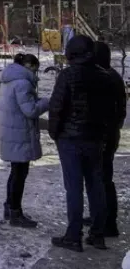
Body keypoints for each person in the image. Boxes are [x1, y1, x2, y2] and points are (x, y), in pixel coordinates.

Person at [48, 35, 115, 252]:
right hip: (95, 139)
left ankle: (73, 235)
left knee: (74, 188)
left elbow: (57, 107)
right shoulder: (104, 77)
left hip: (70, 139)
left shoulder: (68, 75)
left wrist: (55, 133)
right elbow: (110, 111)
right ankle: (97, 234)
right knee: (96, 185)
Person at [0, 53, 49, 228]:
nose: (36, 73)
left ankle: (9, 207)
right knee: (20, 174)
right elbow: (31, 110)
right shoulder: (23, 83)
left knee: (15, 172)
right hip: (19, 134)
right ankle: (15, 212)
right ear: (29, 65)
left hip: (11, 132)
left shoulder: (10, 79)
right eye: (35, 69)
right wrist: (47, 102)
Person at [90, 41, 127, 237]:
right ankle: (99, 215)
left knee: (104, 179)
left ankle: (109, 222)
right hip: (110, 134)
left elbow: (105, 110)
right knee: (102, 178)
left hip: (104, 136)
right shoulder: (113, 76)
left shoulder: (106, 78)